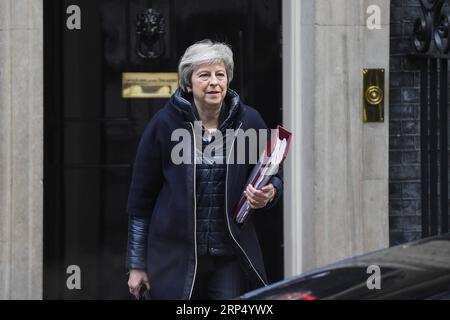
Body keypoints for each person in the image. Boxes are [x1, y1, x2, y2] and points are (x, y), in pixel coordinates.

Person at [126, 39, 283, 300]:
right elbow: (140, 202)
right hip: (176, 258)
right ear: (188, 83)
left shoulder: (250, 122)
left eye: (220, 74)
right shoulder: (164, 125)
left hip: (229, 257)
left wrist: (270, 193)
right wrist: (136, 265)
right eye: (204, 75)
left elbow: (275, 175)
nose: (214, 82)